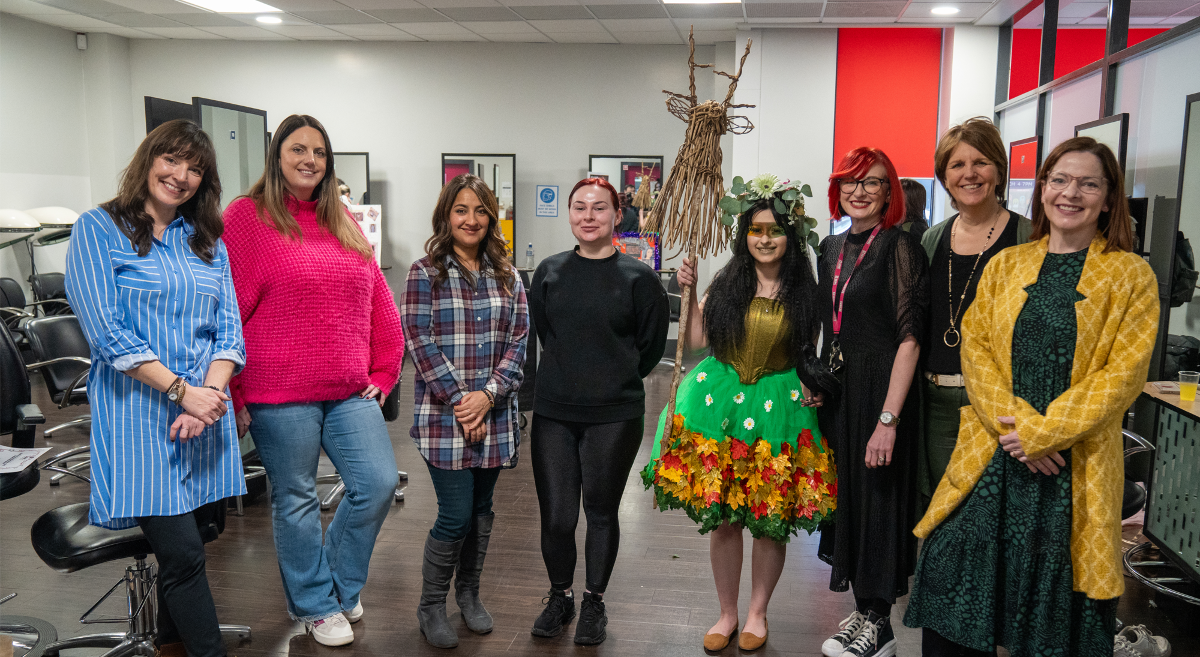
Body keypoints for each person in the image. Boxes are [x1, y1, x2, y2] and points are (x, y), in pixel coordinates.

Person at [903, 138, 1158, 656]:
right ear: (1042, 189)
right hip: (996, 452)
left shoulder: (1132, 275)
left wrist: (1044, 434)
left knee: (1054, 606)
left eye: (1088, 183)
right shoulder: (1006, 266)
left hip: (1073, 467)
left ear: (1109, 199)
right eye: (1060, 180)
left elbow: (1123, 376)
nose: (1071, 193)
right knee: (952, 572)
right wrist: (1019, 431)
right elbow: (976, 353)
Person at [64, 119, 245, 657]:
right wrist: (180, 392)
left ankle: (170, 646)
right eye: (171, 160)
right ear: (148, 159)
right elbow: (106, 333)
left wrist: (206, 399)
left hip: (202, 417)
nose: (181, 175)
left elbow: (229, 328)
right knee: (185, 554)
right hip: (138, 419)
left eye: (195, 168)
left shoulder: (205, 239)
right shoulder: (97, 229)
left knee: (193, 547)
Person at [223, 114, 404, 647]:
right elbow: (227, 308)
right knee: (297, 499)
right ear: (277, 156)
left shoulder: (340, 217)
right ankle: (314, 605)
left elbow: (377, 302)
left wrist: (384, 370)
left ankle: (338, 586)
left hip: (348, 389)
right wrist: (232, 389)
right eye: (298, 149)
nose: (309, 160)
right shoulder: (247, 218)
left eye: (319, 152)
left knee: (376, 483)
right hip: (278, 392)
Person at [641, 176, 837, 653]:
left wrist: (821, 391)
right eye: (755, 230)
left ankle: (757, 612)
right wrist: (685, 295)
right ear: (743, 235)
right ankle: (727, 612)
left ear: (791, 236)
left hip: (781, 409)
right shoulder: (728, 281)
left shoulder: (806, 290)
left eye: (773, 230)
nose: (764, 239)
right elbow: (694, 343)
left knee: (769, 515)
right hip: (719, 403)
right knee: (725, 516)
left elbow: (817, 351)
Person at [526, 177, 669, 645]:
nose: (589, 216)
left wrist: (615, 377)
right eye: (580, 207)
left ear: (616, 216)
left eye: (600, 208)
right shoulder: (549, 272)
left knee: (602, 512)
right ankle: (560, 596)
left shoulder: (640, 278)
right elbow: (544, 334)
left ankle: (593, 602)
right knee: (557, 516)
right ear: (570, 214)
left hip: (615, 414)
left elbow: (648, 349)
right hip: (555, 412)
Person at [401, 174, 529, 648]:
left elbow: (519, 341)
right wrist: (462, 400)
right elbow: (419, 339)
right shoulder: (424, 272)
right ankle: (431, 605)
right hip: (444, 419)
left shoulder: (508, 276)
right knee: (454, 515)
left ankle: (468, 596)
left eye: (479, 211)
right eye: (461, 210)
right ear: (446, 217)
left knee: (481, 511)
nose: (471, 219)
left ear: (491, 217)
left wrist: (488, 396)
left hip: (494, 416)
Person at [817, 147, 928, 657]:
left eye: (873, 182)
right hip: (841, 391)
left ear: (891, 193)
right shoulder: (830, 247)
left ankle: (880, 625)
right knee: (851, 502)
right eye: (851, 182)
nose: (859, 191)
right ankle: (864, 613)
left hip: (884, 389)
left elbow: (910, 340)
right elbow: (828, 324)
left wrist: (889, 419)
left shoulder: (900, 248)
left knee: (879, 501)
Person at [917, 117, 1033, 510]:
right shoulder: (931, 240)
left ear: (999, 170)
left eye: (981, 162)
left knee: (992, 512)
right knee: (941, 512)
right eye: (957, 165)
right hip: (936, 401)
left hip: (1003, 406)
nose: (970, 173)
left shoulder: (1029, 238)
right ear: (945, 178)